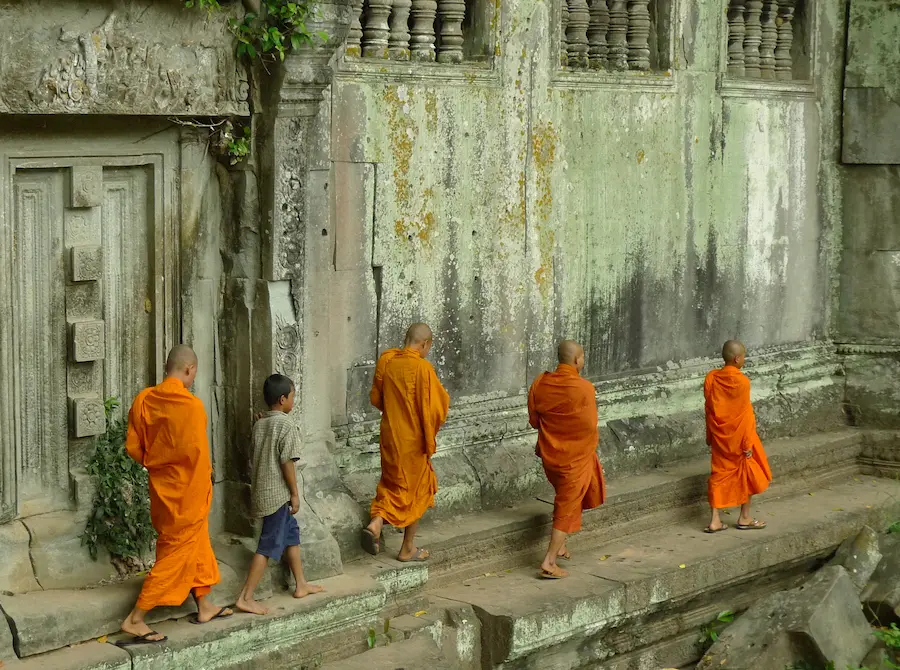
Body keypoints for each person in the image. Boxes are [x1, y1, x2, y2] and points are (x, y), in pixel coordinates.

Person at [118, 345, 232, 647]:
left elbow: (133, 447)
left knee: (195, 544)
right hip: (188, 491)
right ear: (189, 370)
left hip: (162, 489)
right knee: (177, 552)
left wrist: (154, 463)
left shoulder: (144, 400)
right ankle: (135, 618)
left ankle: (205, 605)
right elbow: (198, 455)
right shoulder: (192, 406)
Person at [360, 323, 450, 562]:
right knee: (417, 490)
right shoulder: (423, 369)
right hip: (412, 441)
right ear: (425, 344)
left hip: (390, 437)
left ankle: (377, 522)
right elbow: (437, 410)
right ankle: (407, 547)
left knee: (391, 484)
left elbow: (377, 398)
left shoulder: (388, 361)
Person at [236, 374, 324, 615]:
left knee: (291, 534)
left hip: (262, 492)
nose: (293, 401)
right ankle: (246, 596)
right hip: (277, 495)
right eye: (293, 397)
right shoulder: (285, 424)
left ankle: (301, 584)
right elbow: (287, 462)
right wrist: (295, 493)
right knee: (267, 545)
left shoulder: (260, 423)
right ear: (283, 399)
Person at [528, 340, 606, 580]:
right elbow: (588, 426)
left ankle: (560, 546)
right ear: (576, 360)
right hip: (574, 457)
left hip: (551, 455)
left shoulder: (540, 383)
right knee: (566, 504)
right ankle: (549, 561)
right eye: (582, 358)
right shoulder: (584, 388)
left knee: (567, 498)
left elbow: (534, 419)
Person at [704, 339, 772, 533]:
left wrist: (710, 435)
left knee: (718, 475)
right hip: (740, 440)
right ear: (737, 358)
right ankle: (744, 517)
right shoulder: (742, 381)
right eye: (744, 357)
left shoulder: (711, 378)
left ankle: (715, 520)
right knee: (748, 474)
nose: (744, 360)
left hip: (719, 437)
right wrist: (747, 444)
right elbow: (745, 414)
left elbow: (709, 409)